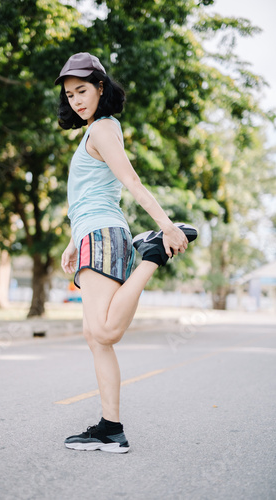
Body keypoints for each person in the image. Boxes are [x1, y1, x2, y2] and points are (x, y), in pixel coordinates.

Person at [56, 52, 197, 453]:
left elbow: (130, 180)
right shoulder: (96, 131)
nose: (76, 101)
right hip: (90, 234)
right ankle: (110, 428)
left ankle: (152, 253)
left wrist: (168, 225)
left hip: (103, 233)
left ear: (101, 87)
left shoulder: (102, 129)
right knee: (95, 338)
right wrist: (72, 240)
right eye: (69, 95)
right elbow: (89, 194)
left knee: (104, 331)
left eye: (82, 90)